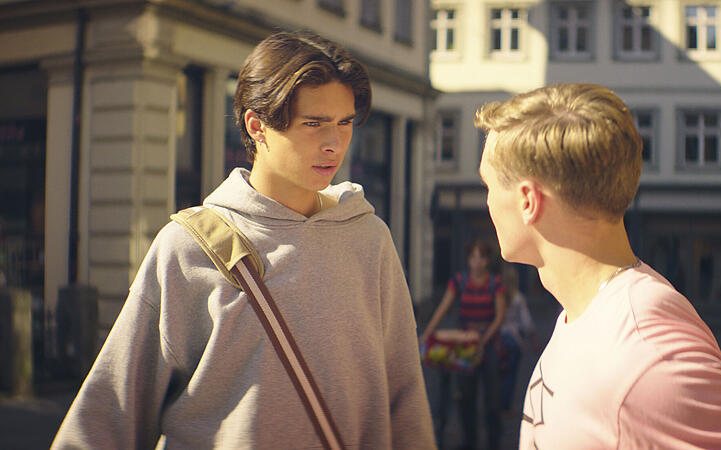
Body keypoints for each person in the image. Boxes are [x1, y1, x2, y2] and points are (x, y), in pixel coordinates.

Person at [53, 30, 436, 449]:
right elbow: (110, 416)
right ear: (258, 126)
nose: (334, 144)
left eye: (344, 124)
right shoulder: (187, 248)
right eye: (314, 124)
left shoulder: (368, 238)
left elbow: (404, 397)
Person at [473, 83, 721, 449]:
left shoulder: (641, 351)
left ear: (528, 201)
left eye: (488, 185)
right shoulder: (592, 314)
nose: (486, 202)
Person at [420, 239, 507, 449]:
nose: (477, 261)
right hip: (464, 346)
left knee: (492, 400)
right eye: (473, 257)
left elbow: (500, 316)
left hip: (488, 344)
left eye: (481, 257)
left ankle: (494, 442)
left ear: (486, 261)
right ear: (469, 260)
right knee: (466, 398)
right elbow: (443, 307)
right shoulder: (459, 280)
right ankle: (470, 442)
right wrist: (427, 333)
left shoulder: (496, 283)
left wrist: (483, 340)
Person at [497, 266, 534, 412]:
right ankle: (506, 405)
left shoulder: (498, 297)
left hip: (499, 338)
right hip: (515, 340)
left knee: (500, 373)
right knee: (511, 375)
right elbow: (526, 321)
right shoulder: (518, 298)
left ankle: (498, 403)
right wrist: (531, 339)